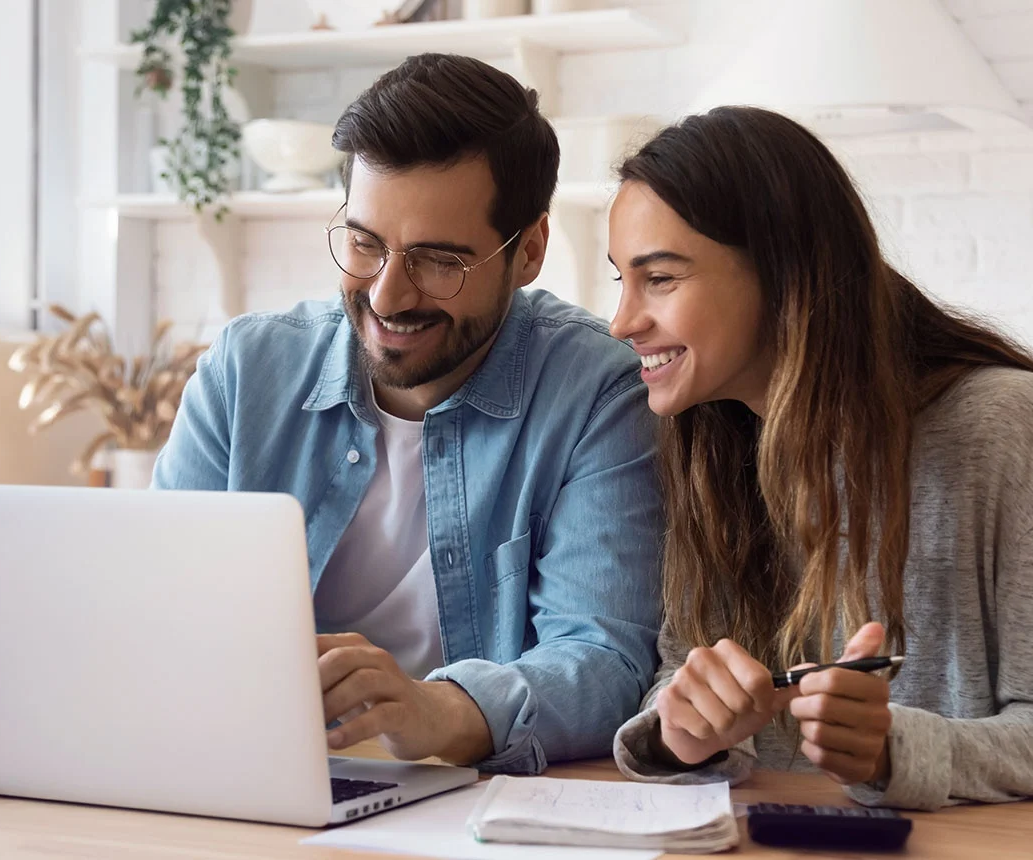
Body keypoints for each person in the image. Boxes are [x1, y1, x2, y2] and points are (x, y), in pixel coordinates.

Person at [153, 53, 662, 774]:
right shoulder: (244, 372)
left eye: (438, 260)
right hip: (252, 777)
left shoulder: (597, 394)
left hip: (470, 803)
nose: (388, 296)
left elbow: (604, 661)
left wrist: (435, 712)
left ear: (530, 252)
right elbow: (155, 610)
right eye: (364, 243)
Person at [606, 106, 1033, 811]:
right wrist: (684, 732)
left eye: (659, 279)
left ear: (783, 273)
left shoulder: (1003, 424)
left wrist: (891, 750)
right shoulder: (712, 443)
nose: (622, 321)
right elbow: (682, 674)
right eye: (621, 281)